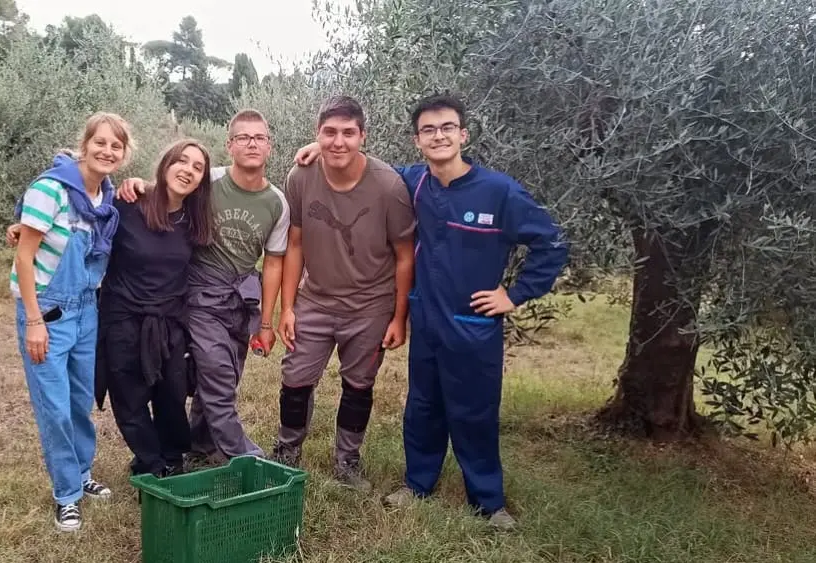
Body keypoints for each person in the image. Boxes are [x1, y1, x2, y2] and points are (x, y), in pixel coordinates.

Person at [294, 93, 569, 529]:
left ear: (463, 134)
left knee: (474, 409)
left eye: (447, 128)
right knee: (422, 405)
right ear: (417, 140)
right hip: (427, 318)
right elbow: (365, 168)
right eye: (428, 130)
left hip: (474, 324)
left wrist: (514, 295)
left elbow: (552, 244)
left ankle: (488, 501)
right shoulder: (413, 183)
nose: (438, 136)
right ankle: (417, 484)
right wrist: (320, 150)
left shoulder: (499, 192)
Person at [117, 110, 289, 466]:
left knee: (226, 372)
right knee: (218, 377)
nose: (251, 143)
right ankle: (246, 458)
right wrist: (139, 185)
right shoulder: (208, 180)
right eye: (243, 137)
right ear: (230, 145)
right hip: (199, 293)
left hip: (242, 299)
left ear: (269, 146)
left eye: (259, 137)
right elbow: (171, 188)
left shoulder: (278, 202)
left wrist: (267, 321)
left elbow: (273, 262)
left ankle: (199, 444)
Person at [272, 95, 416, 491]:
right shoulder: (300, 177)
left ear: (362, 136)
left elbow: (405, 255)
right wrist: (288, 308)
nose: (338, 142)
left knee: (359, 385)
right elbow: (295, 243)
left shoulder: (388, 186)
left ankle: (347, 459)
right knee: (296, 379)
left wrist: (398, 316)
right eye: (329, 133)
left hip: (370, 306)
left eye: (348, 133)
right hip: (315, 300)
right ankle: (286, 453)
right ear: (316, 135)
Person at [10, 112, 127, 532]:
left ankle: (81, 473)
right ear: (85, 144)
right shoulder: (50, 190)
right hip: (48, 310)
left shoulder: (105, 200)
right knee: (55, 408)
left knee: (80, 402)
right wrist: (35, 322)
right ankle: (66, 495)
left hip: (86, 309)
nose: (107, 151)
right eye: (100, 142)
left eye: (116, 146)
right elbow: (24, 257)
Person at [97, 139, 216, 478]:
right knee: (130, 400)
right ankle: (151, 466)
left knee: (172, 398)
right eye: (182, 161)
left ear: (201, 181)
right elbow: (83, 212)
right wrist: (27, 228)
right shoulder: (128, 204)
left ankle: (172, 458)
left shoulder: (194, 222)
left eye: (197, 167)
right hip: (123, 319)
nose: (188, 170)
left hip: (169, 324)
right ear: (165, 164)